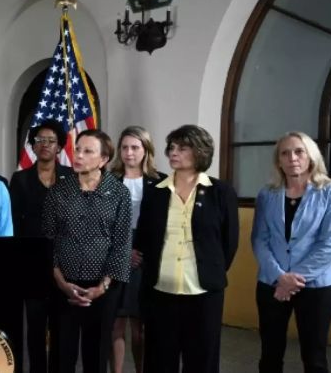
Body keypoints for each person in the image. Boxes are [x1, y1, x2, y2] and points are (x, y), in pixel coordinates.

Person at [134, 124, 239, 373]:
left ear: (200, 151)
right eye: (171, 147)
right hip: (160, 291)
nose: (173, 152)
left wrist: (209, 270)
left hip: (204, 292)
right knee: (159, 360)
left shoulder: (221, 192)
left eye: (182, 147)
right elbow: (146, 236)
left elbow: (228, 242)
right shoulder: (155, 192)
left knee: (201, 360)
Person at [251, 132, 331, 373]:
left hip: (316, 287)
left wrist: (292, 281)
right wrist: (280, 277)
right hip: (272, 283)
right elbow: (260, 240)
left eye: (299, 151)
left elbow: (329, 244)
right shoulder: (267, 194)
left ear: (311, 157)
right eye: (285, 153)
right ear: (278, 160)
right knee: (270, 355)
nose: (292, 157)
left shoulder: (330, 192)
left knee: (314, 359)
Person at [42, 129, 132, 373]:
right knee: (62, 354)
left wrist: (101, 288)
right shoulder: (58, 191)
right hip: (63, 284)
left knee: (97, 354)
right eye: (77, 149)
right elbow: (47, 241)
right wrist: (60, 282)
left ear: (103, 160)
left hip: (103, 288)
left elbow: (122, 243)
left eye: (87, 151)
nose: (78, 155)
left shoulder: (120, 193)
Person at [10, 119, 72, 373]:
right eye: (39, 141)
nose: (45, 145)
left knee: (61, 327)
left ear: (59, 147)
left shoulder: (71, 177)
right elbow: (13, 223)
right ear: (33, 147)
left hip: (66, 262)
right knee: (34, 327)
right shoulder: (20, 179)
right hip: (32, 263)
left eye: (51, 141)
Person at [107, 126, 165, 373]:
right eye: (125, 147)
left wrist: (141, 250)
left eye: (135, 147)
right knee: (116, 324)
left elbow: (163, 224)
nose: (129, 153)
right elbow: (101, 222)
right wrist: (122, 251)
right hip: (114, 253)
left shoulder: (161, 182)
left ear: (146, 150)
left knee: (141, 328)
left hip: (147, 257)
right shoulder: (108, 180)